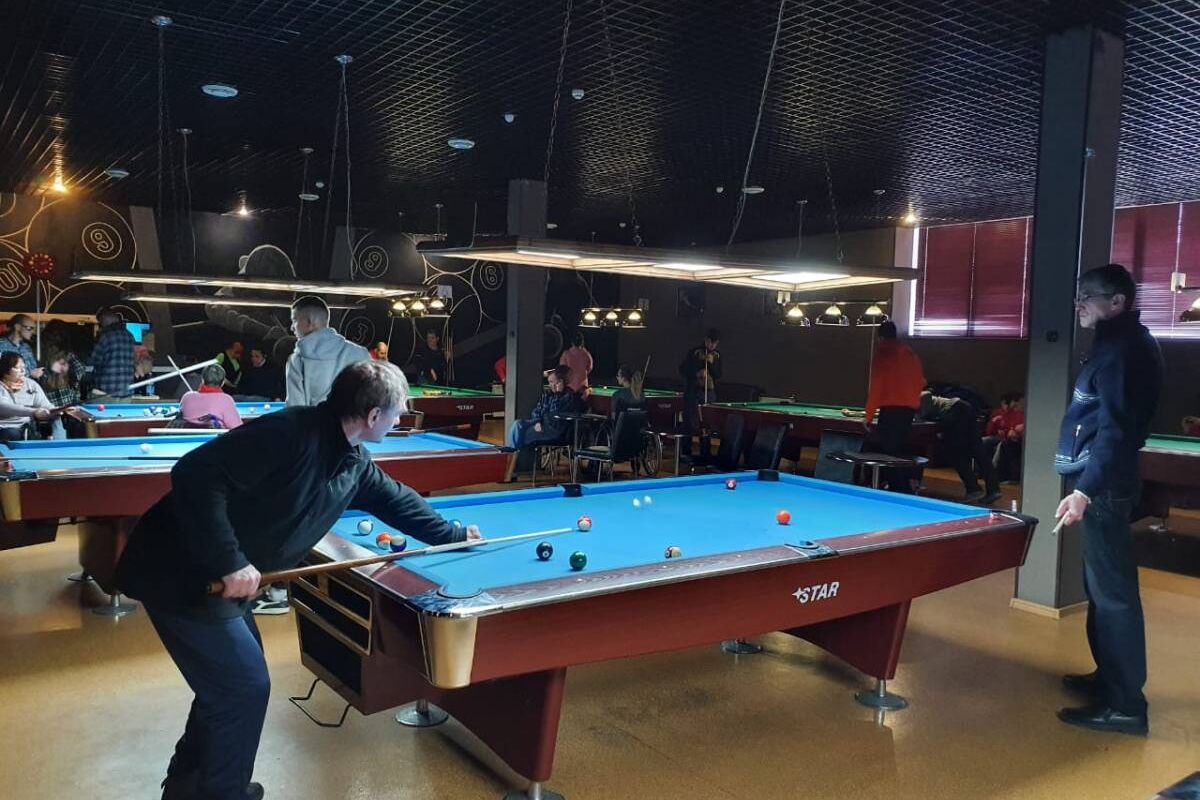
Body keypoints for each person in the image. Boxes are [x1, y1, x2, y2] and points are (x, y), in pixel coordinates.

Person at [115, 360, 482, 800]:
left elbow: (396, 500)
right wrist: (230, 561)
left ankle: (190, 785)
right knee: (242, 687)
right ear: (373, 415)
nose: (402, 416)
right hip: (180, 571)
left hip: (216, 581)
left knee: (227, 688)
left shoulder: (352, 460)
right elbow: (194, 474)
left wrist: (453, 535)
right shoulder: (290, 433)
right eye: (398, 409)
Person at [1053, 263, 1162, 736]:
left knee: (1113, 595)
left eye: (1088, 297)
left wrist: (1084, 490)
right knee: (1101, 591)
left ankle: (1126, 706)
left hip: (1103, 486)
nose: (1079, 305)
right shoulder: (1116, 343)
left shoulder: (1123, 350)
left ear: (1117, 302)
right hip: (1102, 484)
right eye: (1078, 296)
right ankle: (1109, 680)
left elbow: (1115, 431)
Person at [862, 321, 926, 492]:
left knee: (887, 453)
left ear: (880, 337)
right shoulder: (909, 352)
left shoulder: (883, 353)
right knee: (898, 451)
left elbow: (877, 386)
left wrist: (868, 415)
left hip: (891, 410)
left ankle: (900, 489)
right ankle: (901, 487)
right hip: (909, 411)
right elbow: (920, 381)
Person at [918, 388, 1000, 504]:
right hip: (962, 409)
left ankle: (974, 489)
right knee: (978, 452)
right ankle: (993, 490)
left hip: (956, 411)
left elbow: (926, 413)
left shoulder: (922, 395)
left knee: (956, 454)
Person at [285, 296, 370, 407]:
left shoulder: (296, 361)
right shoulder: (361, 353)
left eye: (294, 320)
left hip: (315, 419)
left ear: (309, 322)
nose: (292, 327)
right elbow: (371, 398)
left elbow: (295, 409)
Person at [504, 365, 582, 480]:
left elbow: (555, 414)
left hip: (555, 430)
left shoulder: (569, 396)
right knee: (518, 424)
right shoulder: (547, 393)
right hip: (542, 424)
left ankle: (509, 470)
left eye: (552, 382)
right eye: (549, 382)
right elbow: (537, 410)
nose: (550, 385)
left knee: (519, 435)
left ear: (561, 382)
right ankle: (509, 465)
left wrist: (558, 393)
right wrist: (537, 421)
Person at [0, 352, 65, 441]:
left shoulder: (30, 384)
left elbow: (45, 404)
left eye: (23, 367)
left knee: (56, 417)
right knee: (12, 433)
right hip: (4, 427)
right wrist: (34, 412)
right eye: (17, 368)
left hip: (27, 427)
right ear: (5, 370)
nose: (23, 371)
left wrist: (58, 410)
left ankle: (58, 446)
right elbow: (3, 407)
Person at [679, 328, 721, 460]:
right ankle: (686, 452)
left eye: (714, 343)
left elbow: (718, 374)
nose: (712, 345)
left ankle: (705, 452)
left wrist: (710, 364)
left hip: (708, 392)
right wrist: (697, 372)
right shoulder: (695, 352)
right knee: (689, 422)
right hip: (692, 392)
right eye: (710, 342)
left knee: (707, 423)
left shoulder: (717, 355)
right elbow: (683, 369)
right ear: (705, 340)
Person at [90, 307, 136, 400]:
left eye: (101, 322)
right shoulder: (130, 336)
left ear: (105, 320)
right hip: (126, 392)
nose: (101, 325)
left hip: (106, 392)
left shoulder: (105, 336)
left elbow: (94, 360)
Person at [178, 365, 244, 429]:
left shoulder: (187, 397)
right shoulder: (226, 400)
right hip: (217, 436)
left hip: (188, 436)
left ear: (202, 380)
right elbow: (237, 428)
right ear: (223, 382)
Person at [983, 391, 1025, 482]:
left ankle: (994, 473)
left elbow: (1013, 430)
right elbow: (990, 431)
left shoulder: (1022, 414)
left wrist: (1014, 431)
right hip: (1001, 437)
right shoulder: (999, 413)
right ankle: (981, 470)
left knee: (1003, 445)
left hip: (1015, 440)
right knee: (983, 441)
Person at [40, 333, 88, 409]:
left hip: (62, 408)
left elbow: (80, 370)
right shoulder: (45, 367)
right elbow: (81, 369)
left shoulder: (67, 357)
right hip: (58, 409)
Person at [0, 314, 44, 379]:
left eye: (33, 329)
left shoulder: (26, 347)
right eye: (29, 328)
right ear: (17, 327)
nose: (32, 332)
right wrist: (30, 373)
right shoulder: (1, 345)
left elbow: (33, 367)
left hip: (27, 384)